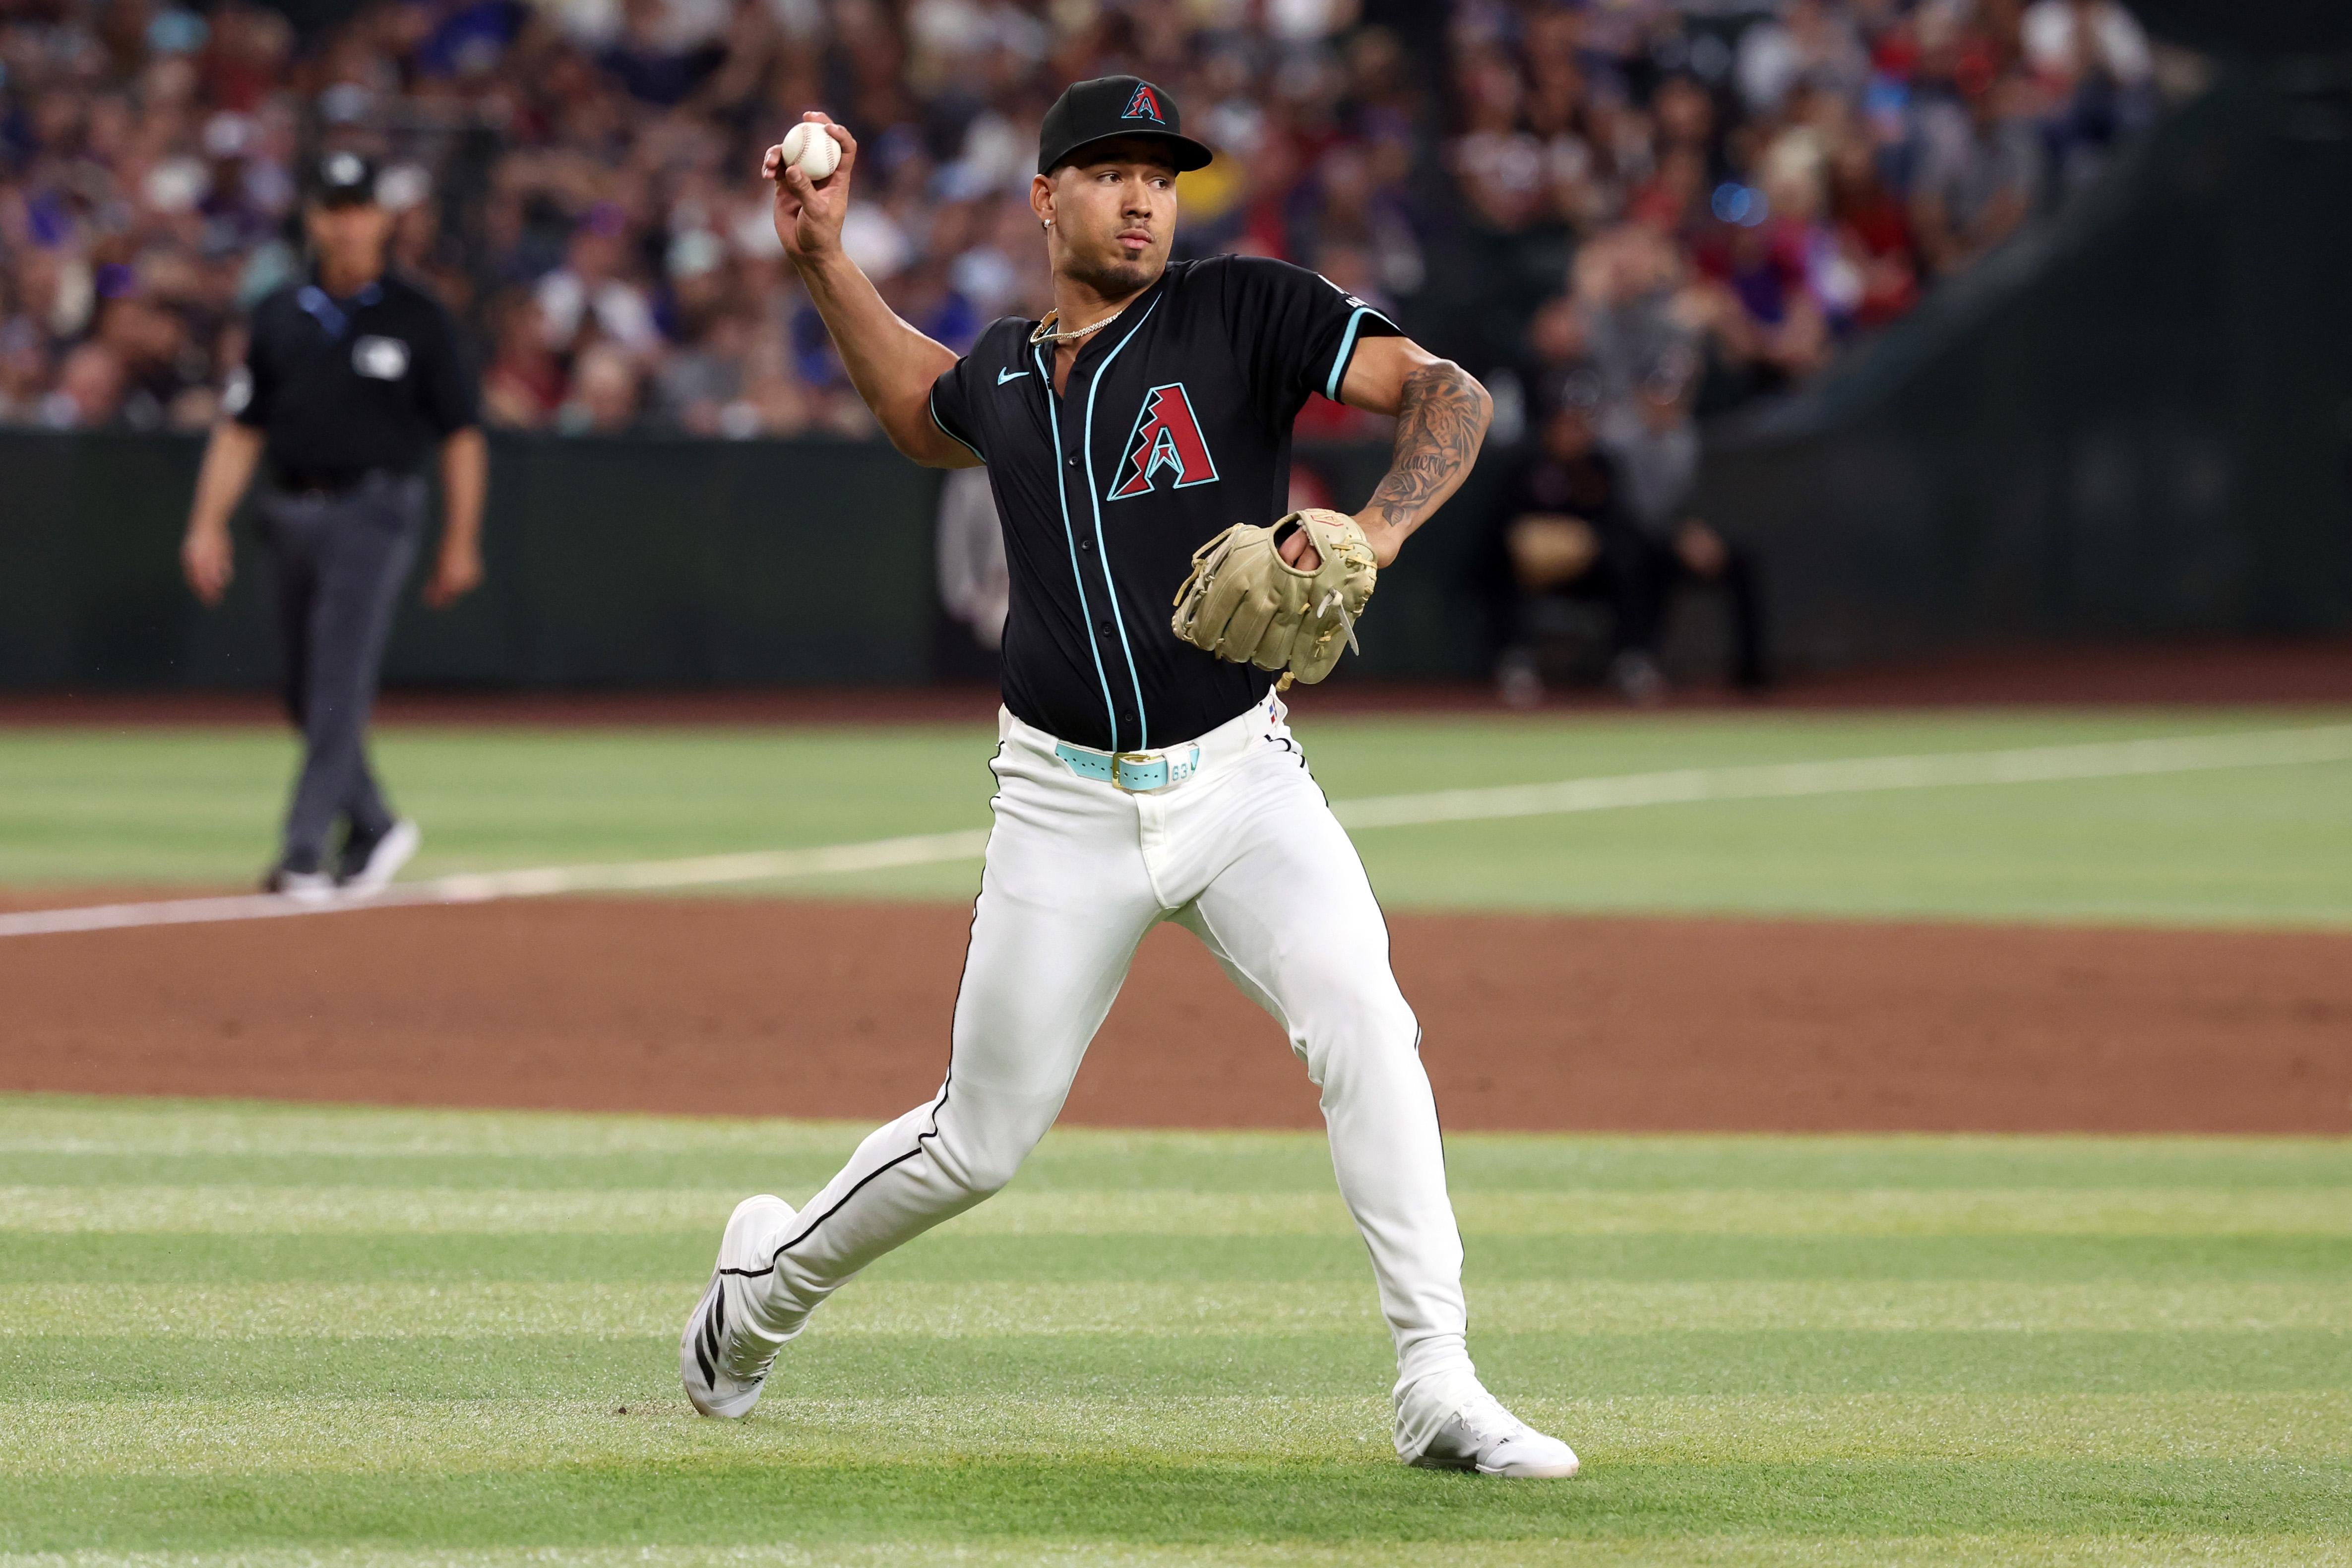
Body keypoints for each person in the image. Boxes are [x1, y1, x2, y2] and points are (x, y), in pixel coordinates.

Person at [681, 76, 1580, 1480]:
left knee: (1363, 1018)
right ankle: (757, 1298)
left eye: (1159, 172)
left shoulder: (1243, 311)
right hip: (1061, 804)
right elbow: (922, 410)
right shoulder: (1007, 371)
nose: (1144, 194)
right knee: (976, 1143)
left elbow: (1444, 393)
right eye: (1109, 170)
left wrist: (1376, 528)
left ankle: (1436, 1379)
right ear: (1047, 199)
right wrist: (820, 259)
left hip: (1241, 779)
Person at [179, 151, 486, 898]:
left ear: (382, 217)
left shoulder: (416, 314)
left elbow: (461, 433)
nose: (347, 224)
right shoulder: (283, 312)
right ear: (314, 217)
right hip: (287, 510)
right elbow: (241, 426)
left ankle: (304, 851)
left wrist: (461, 538)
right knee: (299, 690)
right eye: (333, 208)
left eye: (359, 207)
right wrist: (206, 523)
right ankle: (375, 824)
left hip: (375, 510)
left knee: (335, 686)